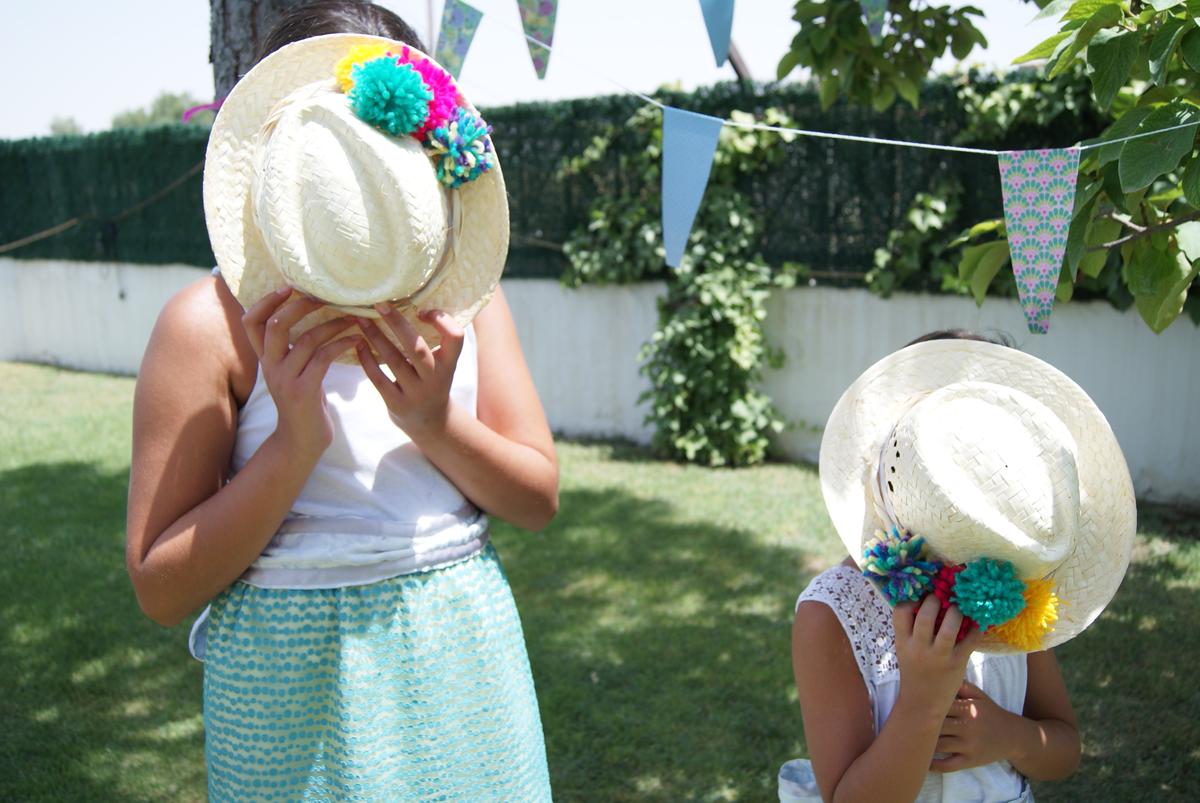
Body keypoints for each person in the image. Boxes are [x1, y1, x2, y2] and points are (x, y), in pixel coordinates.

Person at [124, 3, 557, 800]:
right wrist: (293, 444)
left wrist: (433, 421)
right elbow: (161, 584)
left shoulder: (470, 301)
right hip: (291, 698)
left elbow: (536, 500)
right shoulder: (207, 327)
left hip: (462, 660)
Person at [779, 333, 1137, 802]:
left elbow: (1064, 749)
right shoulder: (833, 615)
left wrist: (1009, 735)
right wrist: (924, 704)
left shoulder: (1012, 599)